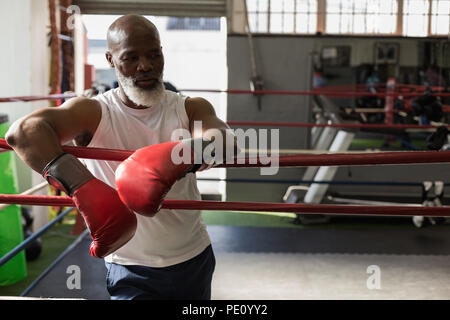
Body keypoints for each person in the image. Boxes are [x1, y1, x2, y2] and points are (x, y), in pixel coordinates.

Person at [6, 14, 236, 300]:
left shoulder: (190, 109)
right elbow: (24, 132)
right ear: (111, 60)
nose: (146, 66)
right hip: (129, 268)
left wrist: (180, 156)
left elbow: (224, 140)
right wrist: (82, 185)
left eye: (153, 54)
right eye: (131, 57)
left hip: (193, 257)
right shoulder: (95, 112)